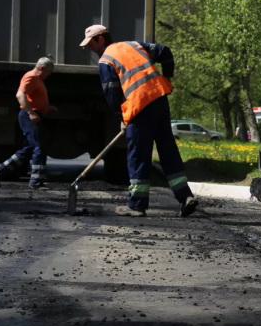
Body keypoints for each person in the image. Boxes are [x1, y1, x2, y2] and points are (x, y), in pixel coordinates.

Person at [80, 25, 198, 218]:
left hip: (139, 106)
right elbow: (165, 52)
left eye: (90, 43)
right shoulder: (134, 45)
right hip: (159, 99)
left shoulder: (106, 60)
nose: (89, 48)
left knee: (138, 155)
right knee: (167, 149)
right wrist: (166, 77)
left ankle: (136, 205)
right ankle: (185, 197)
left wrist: (122, 116)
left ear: (100, 39)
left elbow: (112, 95)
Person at [0, 57, 58, 188]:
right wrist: (31, 113)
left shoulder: (37, 79)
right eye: (48, 71)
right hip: (29, 116)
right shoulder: (31, 77)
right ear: (41, 68)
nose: (50, 74)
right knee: (38, 148)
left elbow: (33, 98)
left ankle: (2, 168)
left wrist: (47, 107)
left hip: (34, 114)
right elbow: (20, 95)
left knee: (31, 148)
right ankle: (36, 181)